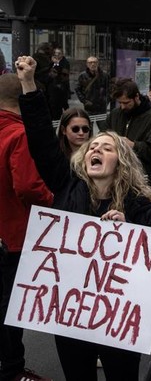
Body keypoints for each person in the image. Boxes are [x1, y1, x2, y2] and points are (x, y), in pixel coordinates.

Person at [17, 55, 151, 381]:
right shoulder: (68, 184)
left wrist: (129, 230)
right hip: (71, 314)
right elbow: (40, 142)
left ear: (121, 161)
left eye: (107, 147)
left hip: (118, 316)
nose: (96, 148)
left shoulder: (138, 203)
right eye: (93, 145)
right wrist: (28, 85)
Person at [0, 71, 53, 381]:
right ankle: (13, 369)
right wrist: (57, 199)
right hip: (15, 234)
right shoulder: (19, 134)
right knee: (10, 306)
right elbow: (29, 187)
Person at [106, 79, 151, 185]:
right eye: (120, 103)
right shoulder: (115, 115)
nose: (122, 107)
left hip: (141, 176)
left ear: (136, 97)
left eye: (126, 103)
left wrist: (133, 145)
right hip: (116, 174)